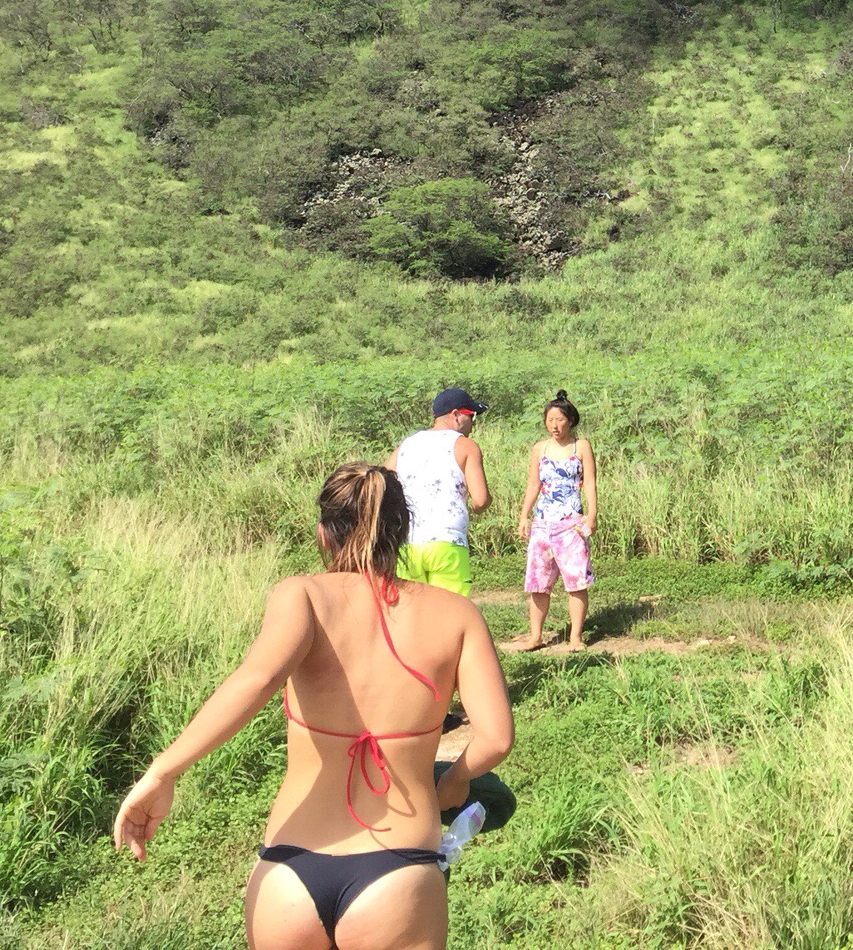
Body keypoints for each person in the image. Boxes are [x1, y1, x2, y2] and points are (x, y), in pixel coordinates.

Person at [112, 462, 514, 950]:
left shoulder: (302, 595)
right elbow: (496, 738)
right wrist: (453, 782)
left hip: (290, 869)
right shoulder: (457, 613)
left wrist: (163, 772)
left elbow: (255, 680)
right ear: (403, 530)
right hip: (399, 870)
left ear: (324, 533)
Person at [509, 391, 597, 652]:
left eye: (559, 420)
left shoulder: (582, 447)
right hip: (543, 524)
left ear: (570, 420)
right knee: (538, 583)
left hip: (572, 525)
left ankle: (575, 638)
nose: (555, 425)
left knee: (577, 582)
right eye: (550, 420)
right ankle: (535, 636)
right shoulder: (540, 449)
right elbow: (533, 484)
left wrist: (592, 515)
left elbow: (590, 483)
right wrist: (524, 516)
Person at [391, 389, 492, 598]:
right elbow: (480, 500)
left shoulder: (406, 445)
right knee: (451, 610)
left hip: (407, 544)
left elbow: (382, 483)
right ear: (456, 415)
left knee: (410, 610)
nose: (473, 423)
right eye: (472, 416)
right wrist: (480, 504)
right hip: (447, 542)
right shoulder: (466, 446)